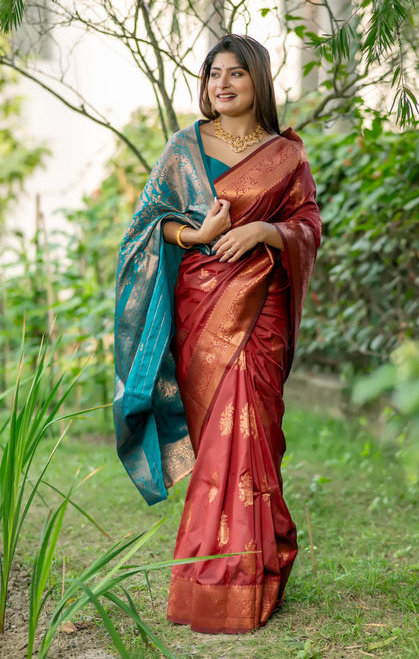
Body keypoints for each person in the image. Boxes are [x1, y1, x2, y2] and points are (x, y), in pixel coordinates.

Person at [113, 34, 321, 634]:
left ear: (258, 80)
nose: (222, 84)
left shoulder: (286, 154)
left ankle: (247, 573)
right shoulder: (183, 148)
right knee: (221, 440)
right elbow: (142, 232)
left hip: (264, 310)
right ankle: (226, 574)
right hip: (201, 308)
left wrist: (263, 234)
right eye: (212, 75)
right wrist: (199, 238)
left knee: (254, 431)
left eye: (235, 73)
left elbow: (307, 224)